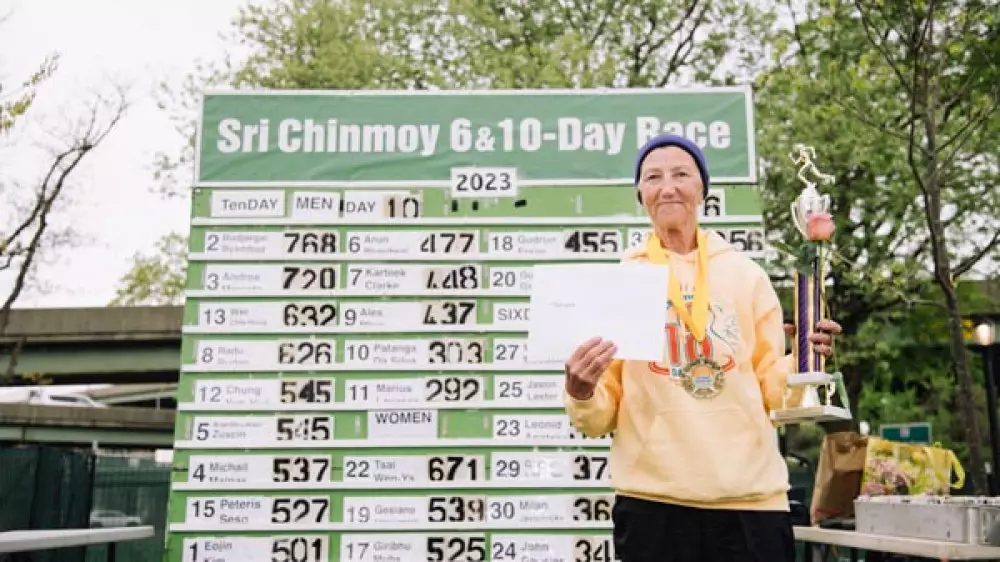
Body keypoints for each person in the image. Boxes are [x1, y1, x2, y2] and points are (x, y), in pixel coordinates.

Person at [563, 133, 843, 562]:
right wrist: (581, 391)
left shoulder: (746, 276)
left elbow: (773, 393)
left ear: (703, 190)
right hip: (653, 505)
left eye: (681, 174)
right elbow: (601, 416)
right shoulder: (621, 280)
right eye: (653, 177)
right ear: (640, 195)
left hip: (751, 502)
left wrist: (805, 362)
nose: (667, 187)